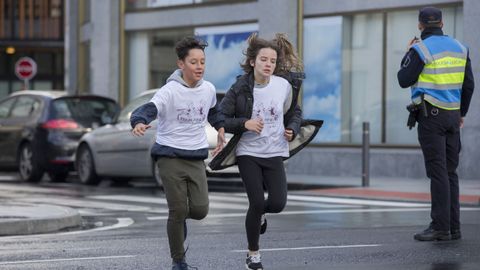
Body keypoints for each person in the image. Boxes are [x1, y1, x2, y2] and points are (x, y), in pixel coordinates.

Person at [210, 33, 322, 270]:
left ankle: (261, 214)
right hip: (249, 153)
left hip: (275, 152)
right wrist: (245, 124)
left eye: (272, 60)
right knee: (256, 202)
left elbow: (295, 113)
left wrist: (291, 128)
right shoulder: (240, 87)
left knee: (278, 203)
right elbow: (221, 116)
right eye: (263, 60)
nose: (268, 64)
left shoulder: (284, 85)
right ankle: (253, 254)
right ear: (253, 62)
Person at [130, 37, 224, 270]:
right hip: (169, 156)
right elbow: (149, 109)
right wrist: (139, 121)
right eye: (194, 62)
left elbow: (214, 112)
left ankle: (179, 222)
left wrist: (220, 128)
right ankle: (178, 260)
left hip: (196, 157)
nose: (200, 66)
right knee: (178, 209)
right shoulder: (169, 91)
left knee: (200, 211)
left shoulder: (209, 89)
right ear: (181, 64)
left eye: (202, 62)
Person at [397, 7, 474, 241]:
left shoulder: (420, 48)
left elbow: (403, 79)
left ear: (420, 25)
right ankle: (454, 226)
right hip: (452, 116)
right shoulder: (461, 48)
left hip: (431, 116)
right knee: (451, 172)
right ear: (442, 23)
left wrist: (408, 52)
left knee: (438, 171)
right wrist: (461, 113)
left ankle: (440, 227)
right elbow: (468, 85)